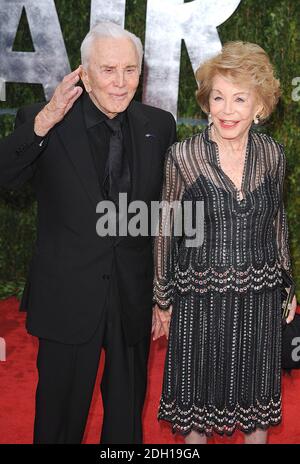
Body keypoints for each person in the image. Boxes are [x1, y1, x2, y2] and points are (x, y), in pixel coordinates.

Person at [0, 21, 176, 444]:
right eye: (108, 69)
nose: (120, 82)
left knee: (125, 421)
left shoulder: (159, 125)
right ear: (84, 71)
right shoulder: (44, 119)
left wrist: (162, 295)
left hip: (132, 297)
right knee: (59, 419)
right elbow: (5, 175)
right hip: (67, 295)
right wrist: (45, 121)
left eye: (130, 70)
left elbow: (163, 217)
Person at [152, 41, 297, 445]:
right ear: (206, 103)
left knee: (256, 415)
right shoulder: (184, 157)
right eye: (218, 98)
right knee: (197, 417)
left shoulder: (273, 155)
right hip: (200, 300)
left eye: (239, 99)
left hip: (259, 297)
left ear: (260, 106)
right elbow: (165, 227)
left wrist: (288, 285)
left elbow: (277, 222)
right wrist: (162, 299)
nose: (227, 110)